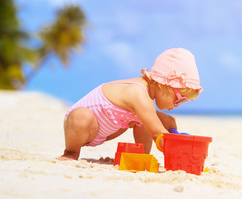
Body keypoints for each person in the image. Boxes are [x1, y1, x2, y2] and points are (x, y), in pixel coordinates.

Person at [57, 48, 202, 160]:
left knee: (150, 118)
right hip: (82, 128)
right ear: (165, 85)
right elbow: (158, 134)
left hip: (106, 130)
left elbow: (157, 121)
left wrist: (170, 126)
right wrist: (181, 153)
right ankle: (71, 152)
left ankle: (142, 157)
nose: (177, 105)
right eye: (180, 99)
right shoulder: (137, 92)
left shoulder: (146, 98)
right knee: (81, 116)